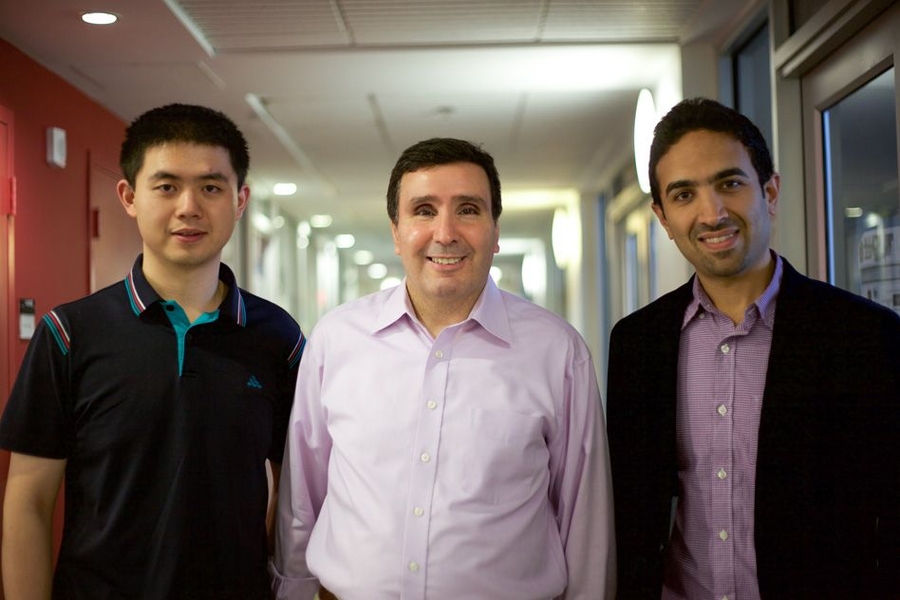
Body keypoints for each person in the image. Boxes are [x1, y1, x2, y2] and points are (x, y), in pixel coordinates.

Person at [271, 137, 615, 599]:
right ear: (396, 231)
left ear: (495, 231)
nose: (446, 232)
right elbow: (302, 497)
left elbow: (585, 517)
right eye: (424, 210)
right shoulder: (337, 341)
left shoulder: (557, 352)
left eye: (469, 209)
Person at [0, 103, 306, 599]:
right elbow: (28, 501)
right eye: (166, 186)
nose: (189, 207)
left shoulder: (278, 338)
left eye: (211, 187)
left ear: (240, 199)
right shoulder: (70, 334)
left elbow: (297, 493)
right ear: (129, 196)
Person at [607, 97, 900, 599]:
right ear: (661, 216)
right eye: (683, 194)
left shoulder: (865, 336)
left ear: (769, 191)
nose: (712, 212)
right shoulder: (638, 345)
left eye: (729, 183)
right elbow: (632, 515)